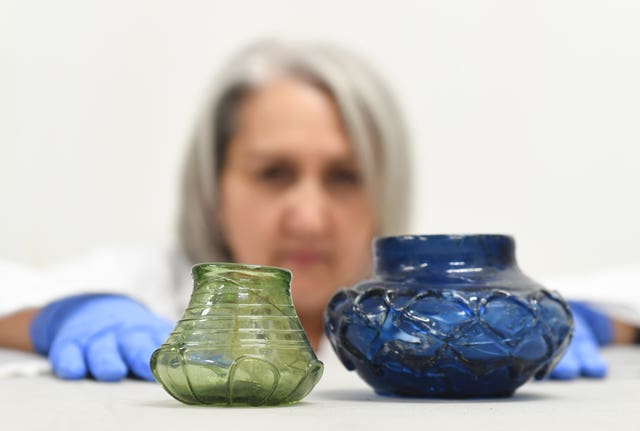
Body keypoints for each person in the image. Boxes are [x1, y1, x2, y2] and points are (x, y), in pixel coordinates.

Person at [0, 40, 634, 382]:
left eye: (345, 177)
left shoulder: (437, 315)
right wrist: (65, 316)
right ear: (214, 186)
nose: (309, 215)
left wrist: (594, 324)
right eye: (274, 173)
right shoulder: (143, 293)